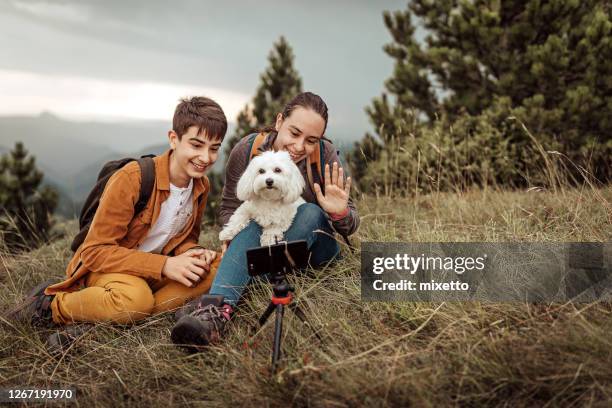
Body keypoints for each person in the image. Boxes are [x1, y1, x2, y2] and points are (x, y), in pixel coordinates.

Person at [6, 96, 227, 352]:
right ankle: (51, 306)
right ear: (174, 139)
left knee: (218, 266)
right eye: (196, 145)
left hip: (151, 274)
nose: (205, 157)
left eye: (214, 148)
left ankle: (108, 315)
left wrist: (191, 253)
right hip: (109, 268)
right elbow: (94, 252)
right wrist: (165, 265)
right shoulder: (133, 178)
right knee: (137, 299)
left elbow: (182, 238)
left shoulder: (201, 185)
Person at [171, 92, 360, 348]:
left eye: (311, 140)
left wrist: (338, 212)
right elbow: (230, 205)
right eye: (294, 133)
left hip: (316, 252)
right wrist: (233, 236)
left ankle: (220, 296)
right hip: (270, 253)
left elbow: (350, 224)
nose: (299, 146)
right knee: (253, 219)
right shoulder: (248, 151)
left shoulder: (324, 155)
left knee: (311, 213)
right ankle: (213, 316)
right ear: (279, 121)